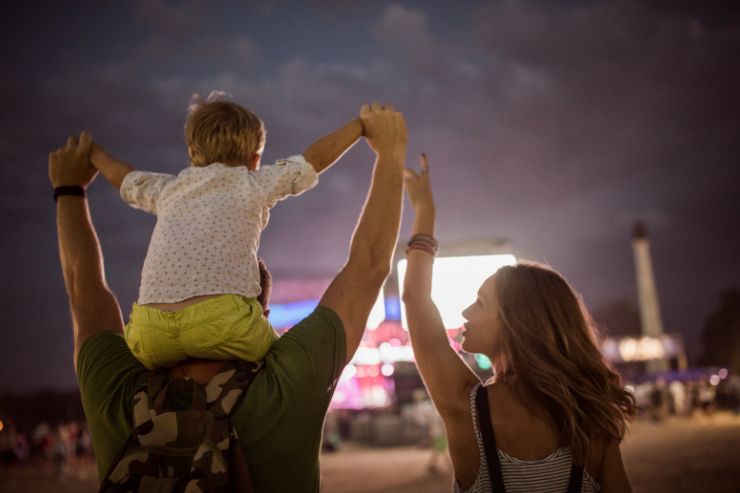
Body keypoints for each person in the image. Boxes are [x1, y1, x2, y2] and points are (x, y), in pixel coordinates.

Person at [49, 102, 407, 492]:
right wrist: (386, 149)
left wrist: (70, 187)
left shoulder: (117, 393)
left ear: (191, 153)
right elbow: (369, 263)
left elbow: (84, 288)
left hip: (149, 333)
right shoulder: (288, 382)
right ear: (258, 309)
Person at [401, 154, 635, 492]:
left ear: (516, 325)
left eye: (480, 302)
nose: (465, 312)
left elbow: (415, 299)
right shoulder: (591, 418)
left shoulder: (467, 409)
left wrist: (425, 211)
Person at [89, 92, 365, 370]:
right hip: (222, 324)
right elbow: (312, 160)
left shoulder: (167, 189)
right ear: (254, 159)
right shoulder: (253, 183)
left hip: (148, 333)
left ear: (192, 156)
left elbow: (124, 178)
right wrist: (360, 125)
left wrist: (93, 154)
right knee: (283, 361)